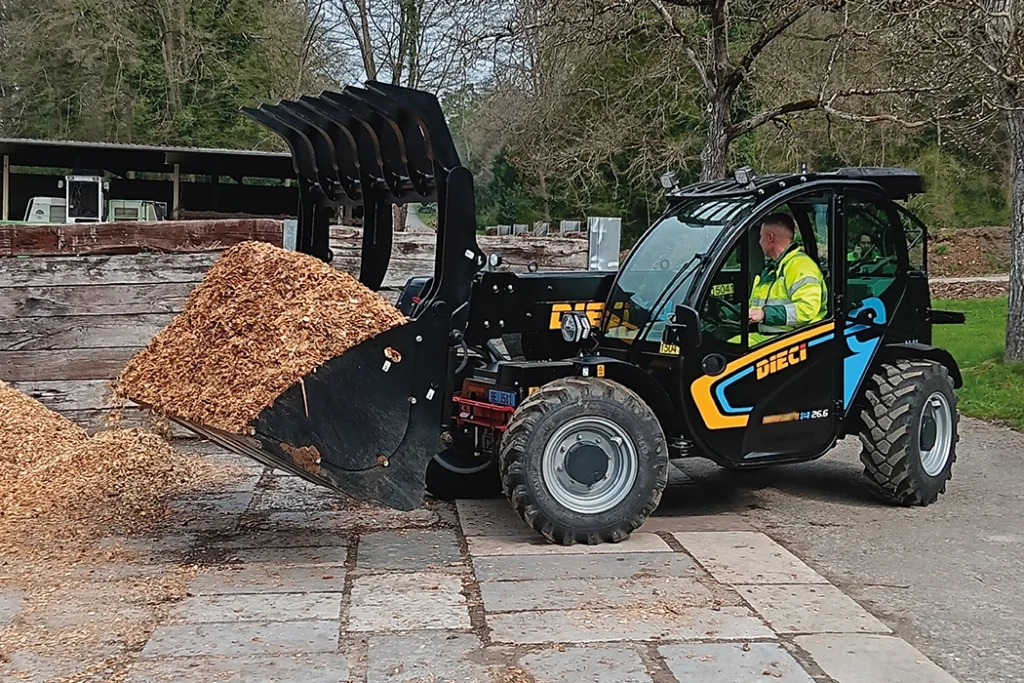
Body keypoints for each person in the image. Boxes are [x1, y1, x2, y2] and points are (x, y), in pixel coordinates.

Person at [746, 213, 827, 345]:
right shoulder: (775, 267)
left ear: (770, 238)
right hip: (770, 336)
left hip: (793, 340)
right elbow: (756, 307)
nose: (759, 242)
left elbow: (807, 309)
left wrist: (765, 314)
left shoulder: (801, 266)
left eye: (761, 237)